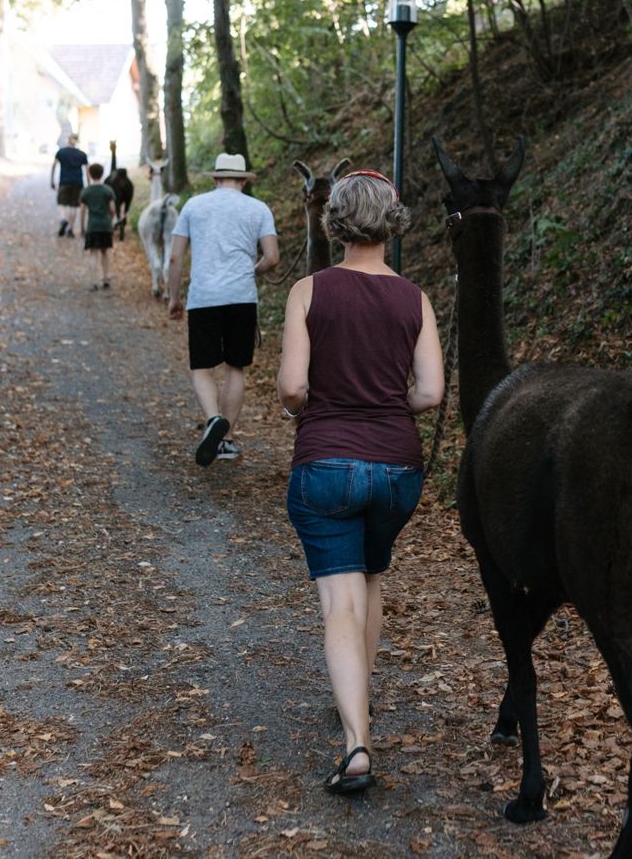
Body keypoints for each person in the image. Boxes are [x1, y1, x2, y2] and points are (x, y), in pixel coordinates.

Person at [276, 170, 443, 796]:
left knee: (340, 601)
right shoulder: (415, 299)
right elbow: (429, 392)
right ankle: (358, 703)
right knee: (371, 580)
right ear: (391, 223)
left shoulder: (308, 292)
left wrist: (320, 404)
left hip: (326, 466)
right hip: (398, 472)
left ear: (336, 222)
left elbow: (293, 387)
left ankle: (356, 744)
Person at [166, 152, 280, 466]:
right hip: (242, 297)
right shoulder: (258, 209)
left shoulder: (194, 206)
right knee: (235, 367)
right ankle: (226, 440)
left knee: (202, 367)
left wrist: (174, 298)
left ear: (215, 178)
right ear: (243, 180)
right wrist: (251, 270)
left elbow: (175, 258)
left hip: (203, 298)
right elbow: (272, 258)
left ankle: (214, 418)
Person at [78, 163, 116, 290]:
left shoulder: (86, 191)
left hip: (92, 226)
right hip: (105, 225)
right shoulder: (107, 190)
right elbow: (112, 209)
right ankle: (106, 278)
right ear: (102, 174)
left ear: (90, 174)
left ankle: (93, 281)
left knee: (93, 253)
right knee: (105, 252)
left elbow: (82, 211)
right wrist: (111, 220)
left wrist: (82, 227)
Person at [51, 133, 89, 236]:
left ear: (68, 140)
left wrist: (52, 180)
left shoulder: (61, 152)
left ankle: (64, 219)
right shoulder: (82, 154)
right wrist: (89, 184)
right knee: (74, 206)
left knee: (62, 203)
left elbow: (54, 166)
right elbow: (87, 170)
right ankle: (70, 229)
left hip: (64, 181)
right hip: (78, 182)